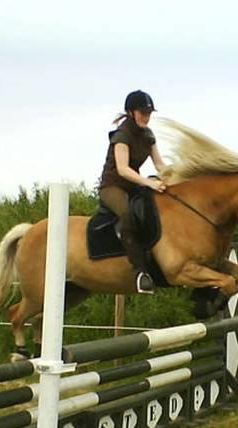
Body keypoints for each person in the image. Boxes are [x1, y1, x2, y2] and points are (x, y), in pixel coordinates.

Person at [99, 90, 167, 294]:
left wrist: (175, 177)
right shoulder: (122, 135)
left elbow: (160, 164)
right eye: (142, 113)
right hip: (112, 186)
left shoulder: (148, 135)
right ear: (130, 112)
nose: (146, 117)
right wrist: (149, 183)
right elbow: (123, 169)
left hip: (134, 185)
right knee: (127, 214)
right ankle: (140, 272)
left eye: (149, 113)